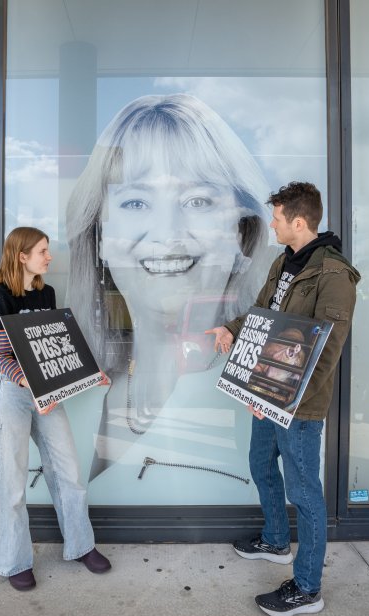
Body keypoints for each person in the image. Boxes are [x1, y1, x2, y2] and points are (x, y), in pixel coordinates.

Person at [66, 93, 273, 482]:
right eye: (136, 203)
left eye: (197, 200)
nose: (168, 234)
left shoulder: (260, 393)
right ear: (99, 238)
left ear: (241, 233)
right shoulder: (82, 389)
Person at [207, 182, 360, 616]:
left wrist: (282, 401)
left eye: (276, 217)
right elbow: (262, 313)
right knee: (260, 465)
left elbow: (326, 353)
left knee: (305, 492)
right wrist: (232, 329)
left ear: (297, 221)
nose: (271, 223)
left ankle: (308, 588)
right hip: (266, 393)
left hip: (296, 405)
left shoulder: (334, 275)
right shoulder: (285, 262)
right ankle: (275, 540)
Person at [0, 226, 111, 591]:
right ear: (22, 256)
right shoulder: (0, 299)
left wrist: (90, 374)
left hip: (46, 395)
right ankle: (14, 561)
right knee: (12, 481)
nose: (49, 257)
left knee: (68, 470)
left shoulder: (47, 293)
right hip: (13, 393)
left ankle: (82, 545)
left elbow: (56, 349)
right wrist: (30, 385)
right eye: (42, 251)